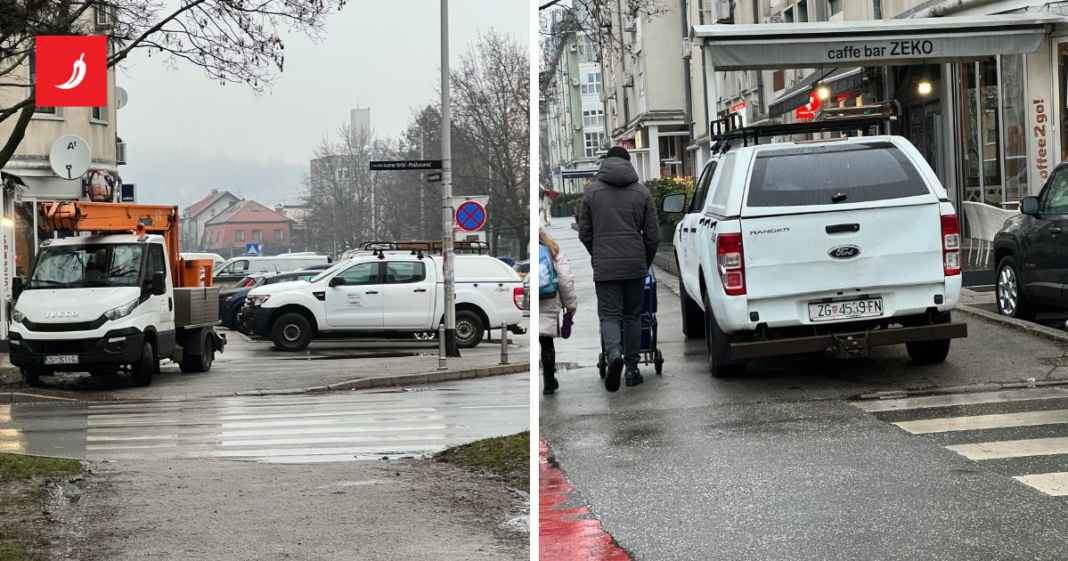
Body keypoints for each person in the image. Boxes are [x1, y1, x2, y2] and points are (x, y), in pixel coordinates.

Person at [578, 146, 659, 392]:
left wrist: (598, 254)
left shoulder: (591, 193)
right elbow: (653, 236)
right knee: (633, 316)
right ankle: (633, 370)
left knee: (610, 315)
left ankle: (614, 352)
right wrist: (644, 261)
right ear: (629, 164)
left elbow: (584, 233)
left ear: (605, 162)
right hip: (635, 264)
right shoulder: (642, 193)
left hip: (605, 267)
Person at [538, 230, 577, 395]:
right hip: (548, 300)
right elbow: (565, 279)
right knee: (546, 343)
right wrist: (570, 305)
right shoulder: (552, 249)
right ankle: (548, 382)